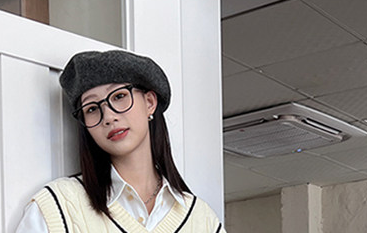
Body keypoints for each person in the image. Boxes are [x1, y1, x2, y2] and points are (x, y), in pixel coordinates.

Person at [16, 50, 220, 233]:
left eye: (119, 96)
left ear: (149, 102)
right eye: (92, 108)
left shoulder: (202, 220)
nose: (108, 117)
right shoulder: (58, 207)